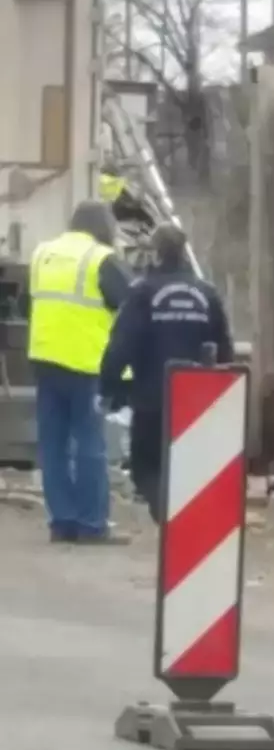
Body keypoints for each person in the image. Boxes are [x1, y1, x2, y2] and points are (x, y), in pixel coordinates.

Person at [99, 222, 234, 522]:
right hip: (196, 400)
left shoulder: (142, 293)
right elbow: (224, 348)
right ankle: (183, 514)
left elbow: (122, 344)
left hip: (152, 398)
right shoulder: (207, 294)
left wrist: (108, 385)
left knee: (145, 466)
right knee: (188, 464)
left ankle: (166, 511)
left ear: (156, 253)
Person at [28, 199, 132, 544]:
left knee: (53, 445)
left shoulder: (42, 253)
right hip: (86, 365)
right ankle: (91, 524)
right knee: (89, 445)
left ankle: (61, 522)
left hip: (45, 358)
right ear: (104, 226)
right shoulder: (101, 259)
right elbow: (131, 304)